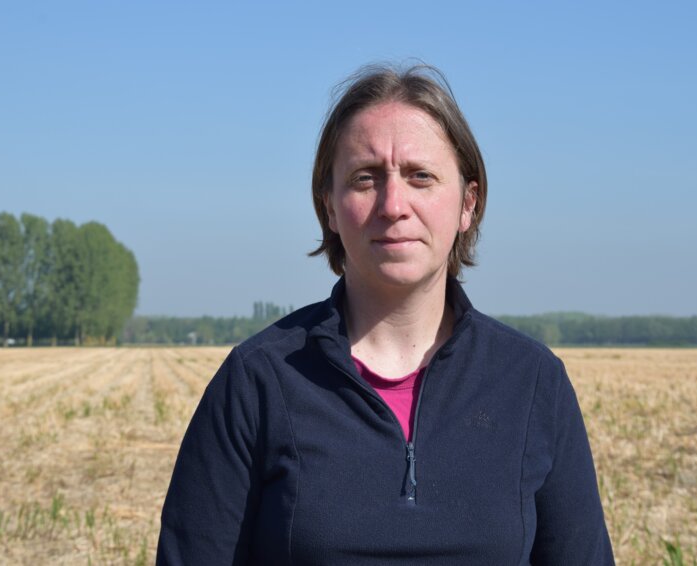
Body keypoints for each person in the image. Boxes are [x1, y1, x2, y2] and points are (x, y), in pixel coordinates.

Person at [157, 63, 615, 565]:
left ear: (468, 203)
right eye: (364, 178)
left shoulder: (531, 384)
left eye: (421, 176)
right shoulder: (257, 382)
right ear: (328, 207)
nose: (393, 204)